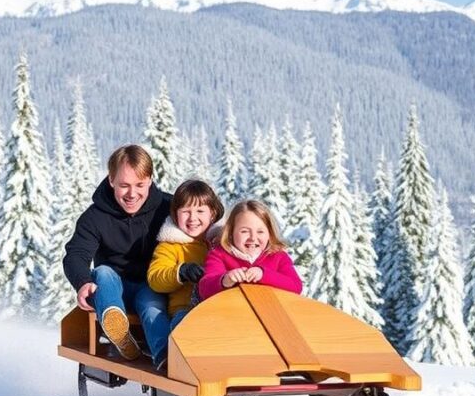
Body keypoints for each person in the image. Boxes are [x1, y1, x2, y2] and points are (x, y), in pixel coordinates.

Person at [63, 145, 172, 361]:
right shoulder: (95, 217)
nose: (132, 194)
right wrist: (83, 282)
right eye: (124, 185)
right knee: (102, 272)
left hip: (151, 287)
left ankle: (166, 357)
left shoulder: (167, 207)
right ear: (111, 180)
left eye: (140, 185)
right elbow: (76, 254)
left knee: (153, 307)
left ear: (150, 179)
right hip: (112, 291)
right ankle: (117, 329)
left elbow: (199, 220)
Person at [146, 179, 225, 370]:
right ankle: (182, 367)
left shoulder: (222, 243)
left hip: (220, 310)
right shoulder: (170, 245)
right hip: (186, 308)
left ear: (212, 213)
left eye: (200, 211)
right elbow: (155, 278)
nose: (193, 218)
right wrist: (181, 271)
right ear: (175, 215)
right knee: (185, 326)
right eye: (186, 212)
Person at [198, 199, 302, 300]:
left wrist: (264, 274)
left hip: (270, 313)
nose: (253, 238)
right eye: (244, 231)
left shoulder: (278, 256)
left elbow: (296, 286)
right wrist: (224, 280)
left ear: (269, 234)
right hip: (231, 314)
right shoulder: (219, 255)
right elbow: (204, 289)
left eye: (260, 232)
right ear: (231, 233)